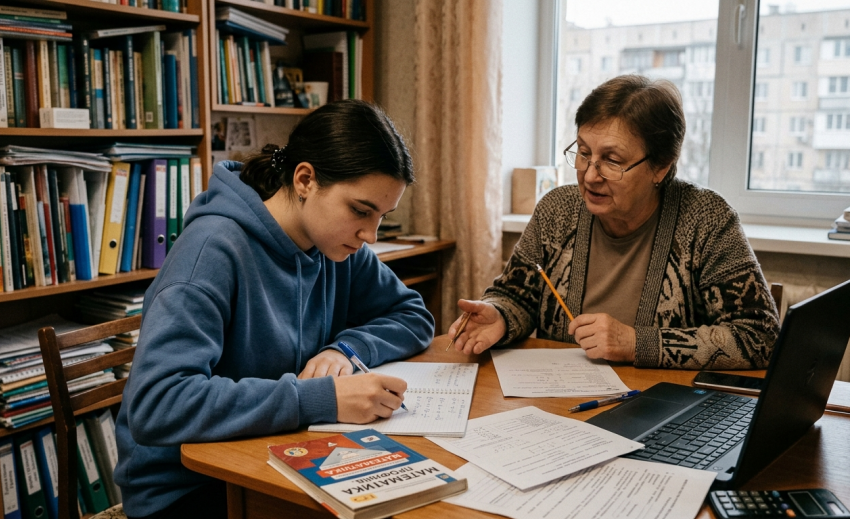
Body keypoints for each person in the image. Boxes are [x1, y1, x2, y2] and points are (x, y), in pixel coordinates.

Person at [114, 100, 435, 519]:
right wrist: (320, 398)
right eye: (360, 211)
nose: (370, 234)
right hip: (189, 487)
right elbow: (158, 404)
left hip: (280, 452)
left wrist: (345, 350)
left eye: (382, 216)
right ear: (305, 180)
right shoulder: (212, 251)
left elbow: (412, 315)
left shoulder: (339, 246)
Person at [448, 75, 779, 369]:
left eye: (612, 160)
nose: (590, 175)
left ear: (661, 167)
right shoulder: (557, 210)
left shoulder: (706, 219)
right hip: (560, 408)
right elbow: (516, 296)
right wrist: (500, 315)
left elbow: (759, 337)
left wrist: (635, 343)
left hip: (662, 410)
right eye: (583, 152)